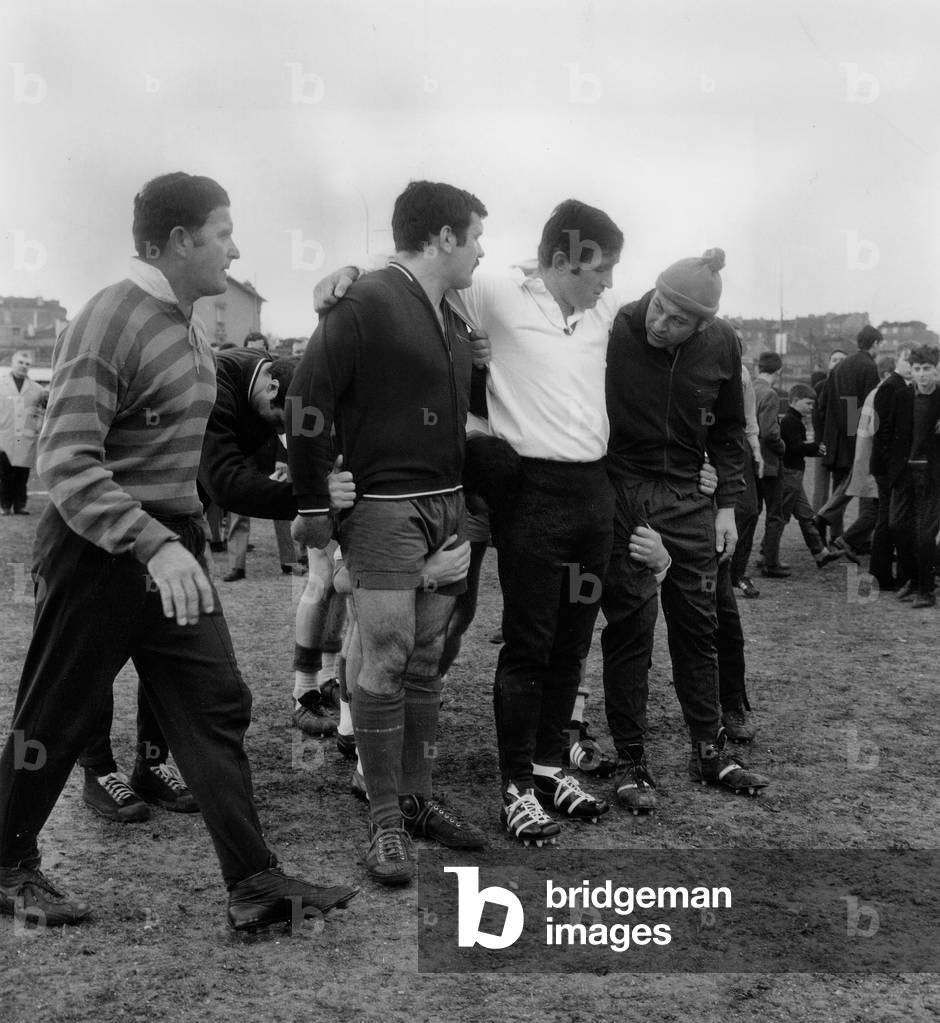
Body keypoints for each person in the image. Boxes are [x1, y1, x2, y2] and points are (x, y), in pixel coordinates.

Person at [0, 172, 358, 931]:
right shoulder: (109, 318)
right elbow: (67, 461)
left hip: (171, 547)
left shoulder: (191, 327)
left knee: (216, 702)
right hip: (101, 551)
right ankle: (5, 863)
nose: (235, 249)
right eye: (224, 233)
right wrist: (153, 544)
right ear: (178, 240)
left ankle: (254, 882)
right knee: (55, 715)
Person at [288, 180, 489, 886]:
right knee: (386, 654)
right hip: (383, 507)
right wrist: (314, 501)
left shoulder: (455, 315)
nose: (481, 252)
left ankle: (417, 799)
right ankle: (383, 820)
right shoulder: (365, 299)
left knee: (427, 657)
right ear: (443, 237)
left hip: (446, 504)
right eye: (475, 237)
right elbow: (306, 400)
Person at [602, 248, 768, 813]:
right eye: (659, 307)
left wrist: (726, 507)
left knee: (698, 626)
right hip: (626, 490)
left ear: (701, 326)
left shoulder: (721, 342)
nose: (660, 323)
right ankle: (631, 761)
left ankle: (708, 749)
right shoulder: (617, 325)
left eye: (677, 320)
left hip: (691, 498)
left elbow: (728, 432)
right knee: (631, 627)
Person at [814, 325, 883, 543]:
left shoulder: (840, 367)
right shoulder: (868, 367)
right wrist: (858, 440)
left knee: (842, 485)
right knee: (863, 487)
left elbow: (827, 404)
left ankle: (834, 533)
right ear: (875, 344)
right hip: (855, 439)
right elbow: (866, 406)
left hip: (837, 439)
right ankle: (858, 539)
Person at [888, 346, 940, 608]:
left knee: (925, 535)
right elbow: (890, 434)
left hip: (933, 475)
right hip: (906, 472)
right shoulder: (903, 396)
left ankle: (926, 590)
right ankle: (911, 578)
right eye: (917, 369)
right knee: (897, 525)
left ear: (936, 369)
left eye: (927, 369)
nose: (922, 374)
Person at [777, 384, 842, 568]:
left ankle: (820, 553)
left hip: (793, 475)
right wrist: (815, 448)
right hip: (791, 474)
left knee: (805, 515)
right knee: (781, 517)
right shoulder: (792, 422)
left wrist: (813, 449)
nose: (811, 408)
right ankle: (767, 555)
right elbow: (795, 448)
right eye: (808, 403)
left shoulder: (792, 420)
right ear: (795, 400)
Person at [869, 347, 913, 590]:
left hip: (887, 464)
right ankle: (880, 575)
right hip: (887, 466)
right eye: (908, 361)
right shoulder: (891, 387)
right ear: (899, 361)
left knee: (886, 518)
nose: (911, 367)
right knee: (887, 519)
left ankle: (880, 574)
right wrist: (891, 464)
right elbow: (884, 431)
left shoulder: (896, 385)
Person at [752, 352, 789, 578]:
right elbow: (769, 432)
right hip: (770, 463)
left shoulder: (749, 389)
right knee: (775, 513)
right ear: (779, 371)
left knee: (751, 511)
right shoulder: (770, 394)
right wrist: (783, 447)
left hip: (751, 461)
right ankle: (770, 562)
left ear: (758, 368)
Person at [0, 350, 47, 515]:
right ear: (13, 363)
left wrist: (38, 425)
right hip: (4, 435)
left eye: (27, 364)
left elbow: (43, 410)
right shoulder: (1, 384)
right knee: (4, 473)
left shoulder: (37, 389)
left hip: (26, 438)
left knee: (22, 474)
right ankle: (4, 505)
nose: (23, 366)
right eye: (20, 362)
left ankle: (20, 505)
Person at [810, 350, 846, 512]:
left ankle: (834, 526)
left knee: (839, 489)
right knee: (820, 487)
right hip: (823, 444)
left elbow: (852, 421)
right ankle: (817, 523)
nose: (837, 363)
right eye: (834, 359)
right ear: (829, 364)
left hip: (842, 447)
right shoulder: (820, 387)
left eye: (841, 360)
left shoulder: (849, 389)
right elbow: (816, 419)